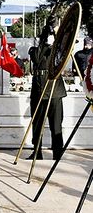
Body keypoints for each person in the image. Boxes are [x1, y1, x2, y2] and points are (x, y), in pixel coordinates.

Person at [28, 22, 66, 160]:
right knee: (37, 125)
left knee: (56, 125)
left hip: (55, 90)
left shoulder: (58, 49)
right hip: (39, 92)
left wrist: (56, 34)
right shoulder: (34, 50)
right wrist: (45, 42)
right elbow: (37, 58)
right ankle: (37, 152)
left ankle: (57, 153)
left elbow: (65, 48)